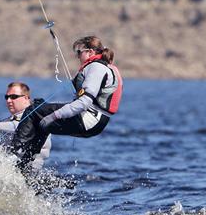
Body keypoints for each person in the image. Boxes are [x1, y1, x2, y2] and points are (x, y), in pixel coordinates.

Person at [8, 36, 123, 164]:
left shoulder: (96, 68)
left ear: (90, 52)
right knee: (40, 116)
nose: (78, 56)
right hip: (96, 122)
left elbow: (84, 103)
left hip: (88, 119)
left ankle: (11, 154)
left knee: (32, 110)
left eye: (79, 52)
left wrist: (54, 116)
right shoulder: (103, 67)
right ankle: (25, 165)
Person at [0, 82, 52, 171]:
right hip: (10, 169)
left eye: (13, 97)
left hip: (28, 173)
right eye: (6, 97)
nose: (8, 100)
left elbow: (20, 127)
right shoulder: (11, 120)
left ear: (26, 98)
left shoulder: (37, 116)